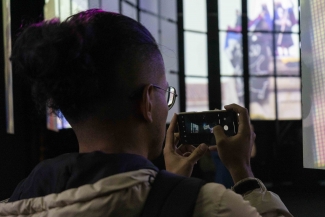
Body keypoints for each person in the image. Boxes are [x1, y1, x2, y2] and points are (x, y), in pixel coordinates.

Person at [0, 9, 292, 216]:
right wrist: (243, 173)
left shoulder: (19, 200)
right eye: (166, 93)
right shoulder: (211, 206)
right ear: (148, 101)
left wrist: (171, 182)